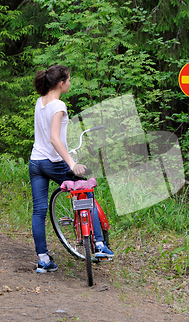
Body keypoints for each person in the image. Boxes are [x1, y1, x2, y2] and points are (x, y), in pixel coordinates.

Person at [30, 65, 114, 273]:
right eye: (69, 80)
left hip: (35, 162)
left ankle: (43, 260)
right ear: (61, 83)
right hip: (53, 162)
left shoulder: (40, 102)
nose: (70, 83)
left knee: (39, 211)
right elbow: (54, 138)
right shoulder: (58, 105)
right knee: (85, 193)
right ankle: (100, 245)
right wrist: (72, 163)